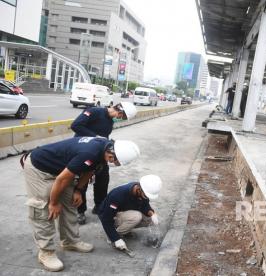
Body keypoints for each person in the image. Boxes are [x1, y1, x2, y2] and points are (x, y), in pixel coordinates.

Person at [21, 137, 140, 271]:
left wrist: (78, 190)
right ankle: (46, 252)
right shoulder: (90, 153)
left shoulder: (104, 148)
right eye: (113, 160)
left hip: (62, 169)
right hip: (40, 168)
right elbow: (61, 180)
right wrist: (53, 203)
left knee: (70, 203)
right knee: (43, 209)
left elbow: (89, 169)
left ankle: (70, 241)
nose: (113, 163)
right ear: (111, 152)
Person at [71, 102, 137, 225]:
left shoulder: (110, 122)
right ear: (120, 110)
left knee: (103, 179)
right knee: (82, 182)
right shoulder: (94, 111)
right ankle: (80, 210)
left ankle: (99, 205)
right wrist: (96, 137)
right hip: (83, 150)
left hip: (99, 151)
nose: (120, 119)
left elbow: (104, 138)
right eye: (122, 117)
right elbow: (75, 125)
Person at [98, 175, 162, 252]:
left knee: (150, 219)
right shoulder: (117, 195)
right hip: (110, 215)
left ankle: (125, 230)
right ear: (139, 189)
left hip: (125, 212)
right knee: (136, 217)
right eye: (145, 195)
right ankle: (114, 234)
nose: (146, 197)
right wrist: (115, 238)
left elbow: (145, 206)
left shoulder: (142, 191)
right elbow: (106, 219)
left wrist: (152, 213)